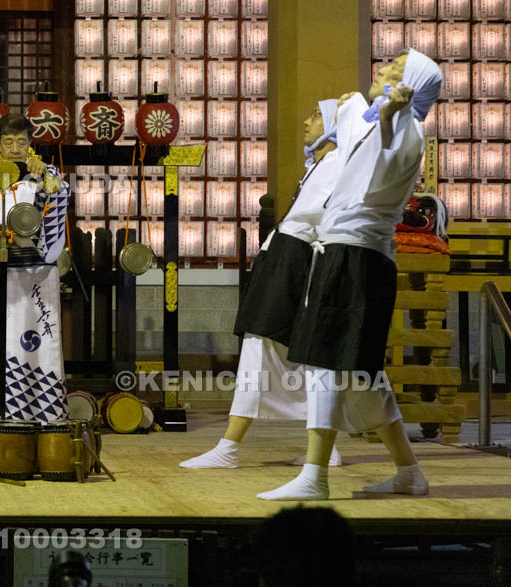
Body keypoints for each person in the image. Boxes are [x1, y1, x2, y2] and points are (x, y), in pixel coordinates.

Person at [258, 48, 443, 501]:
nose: (381, 70)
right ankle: (409, 473)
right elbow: (360, 142)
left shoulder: (410, 130)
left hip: (356, 255)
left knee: (324, 362)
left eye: (395, 69)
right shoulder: (391, 123)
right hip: (348, 252)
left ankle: (315, 475)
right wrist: (363, 112)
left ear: (413, 84)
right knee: (360, 377)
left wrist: (386, 117)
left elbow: (378, 180)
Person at [179, 98, 353, 469]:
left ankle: (229, 446)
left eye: (316, 115)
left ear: (338, 124)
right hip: (286, 256)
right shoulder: (322, 164)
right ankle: (325, 445)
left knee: (263, 344)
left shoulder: (339, 163)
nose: (306, 121)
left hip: (298, 258)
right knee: (293, 355)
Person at [0, 114, 70, 423]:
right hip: (5, 274)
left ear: (30, 144)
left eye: (21, 142)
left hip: (38, 273)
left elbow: (58, 202)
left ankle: (47, 416)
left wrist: (47, 178)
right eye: (8, 142)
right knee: (6, 340)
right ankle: (7, 414)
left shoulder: (45, 174)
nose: (14, 149)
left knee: (43, 341)